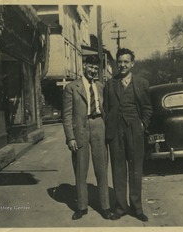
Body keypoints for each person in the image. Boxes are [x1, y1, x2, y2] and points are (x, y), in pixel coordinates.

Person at [104, 48, 152, 222]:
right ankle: (120, 207)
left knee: (135, 170)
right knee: (118, 170)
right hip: (116, 132)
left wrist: (141, 124)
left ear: (132, 63)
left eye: (126, 61)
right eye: (120, 62)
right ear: (116, 63)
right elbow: (106, 108)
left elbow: (147, 108)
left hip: (134, 131)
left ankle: (136, 207)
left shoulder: (141, 83)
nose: (123, 65)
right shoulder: (110, 84)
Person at [62, 56, 112, 220]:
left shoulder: (100, 86)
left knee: (102, 168)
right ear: (84, 66)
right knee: (80, 169)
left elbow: (106, 110)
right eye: (91, 67)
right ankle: (82, 207)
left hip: (99, 126)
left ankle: (105, 206)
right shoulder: (71, 87)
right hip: (80, 131)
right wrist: (70, 138)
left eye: (96, 68)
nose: (93, 71)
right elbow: (67, 115)